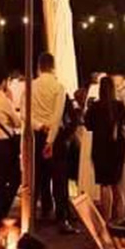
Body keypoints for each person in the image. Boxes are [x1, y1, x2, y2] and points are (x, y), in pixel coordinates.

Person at [32, 52, 72, 231]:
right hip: (55, 137)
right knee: (59, 178)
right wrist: (50, 141)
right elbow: (57, 117)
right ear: (53, 66)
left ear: (39, 66)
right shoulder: (58, 87)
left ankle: (38, 211)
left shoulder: (31, 87)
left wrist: (39, 126)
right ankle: (61, 216)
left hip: (36, 135)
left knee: (38, 176)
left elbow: (24, 113)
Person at [87, 74, 125, 222]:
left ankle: (106, 218)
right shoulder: (119, 105)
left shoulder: (96, 106)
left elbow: (88, 125)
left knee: (104, 184)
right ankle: (120, 216)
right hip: (117, 147)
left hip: (100, 147)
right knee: (117, 184)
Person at [0, 72, 25, 225]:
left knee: (0, 179)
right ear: (4, 82)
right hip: (6, 143)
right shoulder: (3, 98)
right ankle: (2, 210)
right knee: (15, 178)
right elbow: (16, 122)